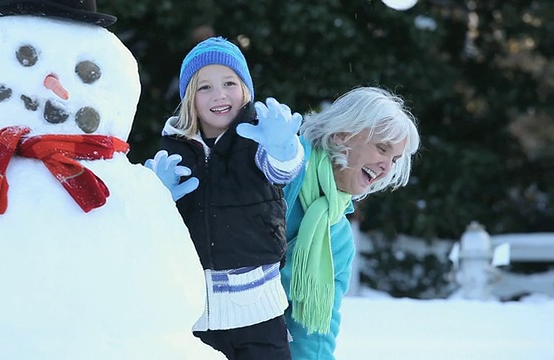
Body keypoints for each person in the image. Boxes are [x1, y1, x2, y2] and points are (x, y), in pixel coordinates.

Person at [144, 36, 304, 360]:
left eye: (229, 83)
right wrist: (156, 198)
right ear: (190, 96)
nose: (219, 95)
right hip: (194, 316)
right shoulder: (174, 149)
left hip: (259, 314)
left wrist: (284, 148)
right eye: (205, 87)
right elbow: (155, 229)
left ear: (245, 89)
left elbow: (281, 170)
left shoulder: (259, 142)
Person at [279, 86, 421, 359]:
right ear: (343, 134)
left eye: (395, 159)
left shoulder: (339, 237)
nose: (386, 167)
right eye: (382, 148)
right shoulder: (283, 169)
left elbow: (313, 332)